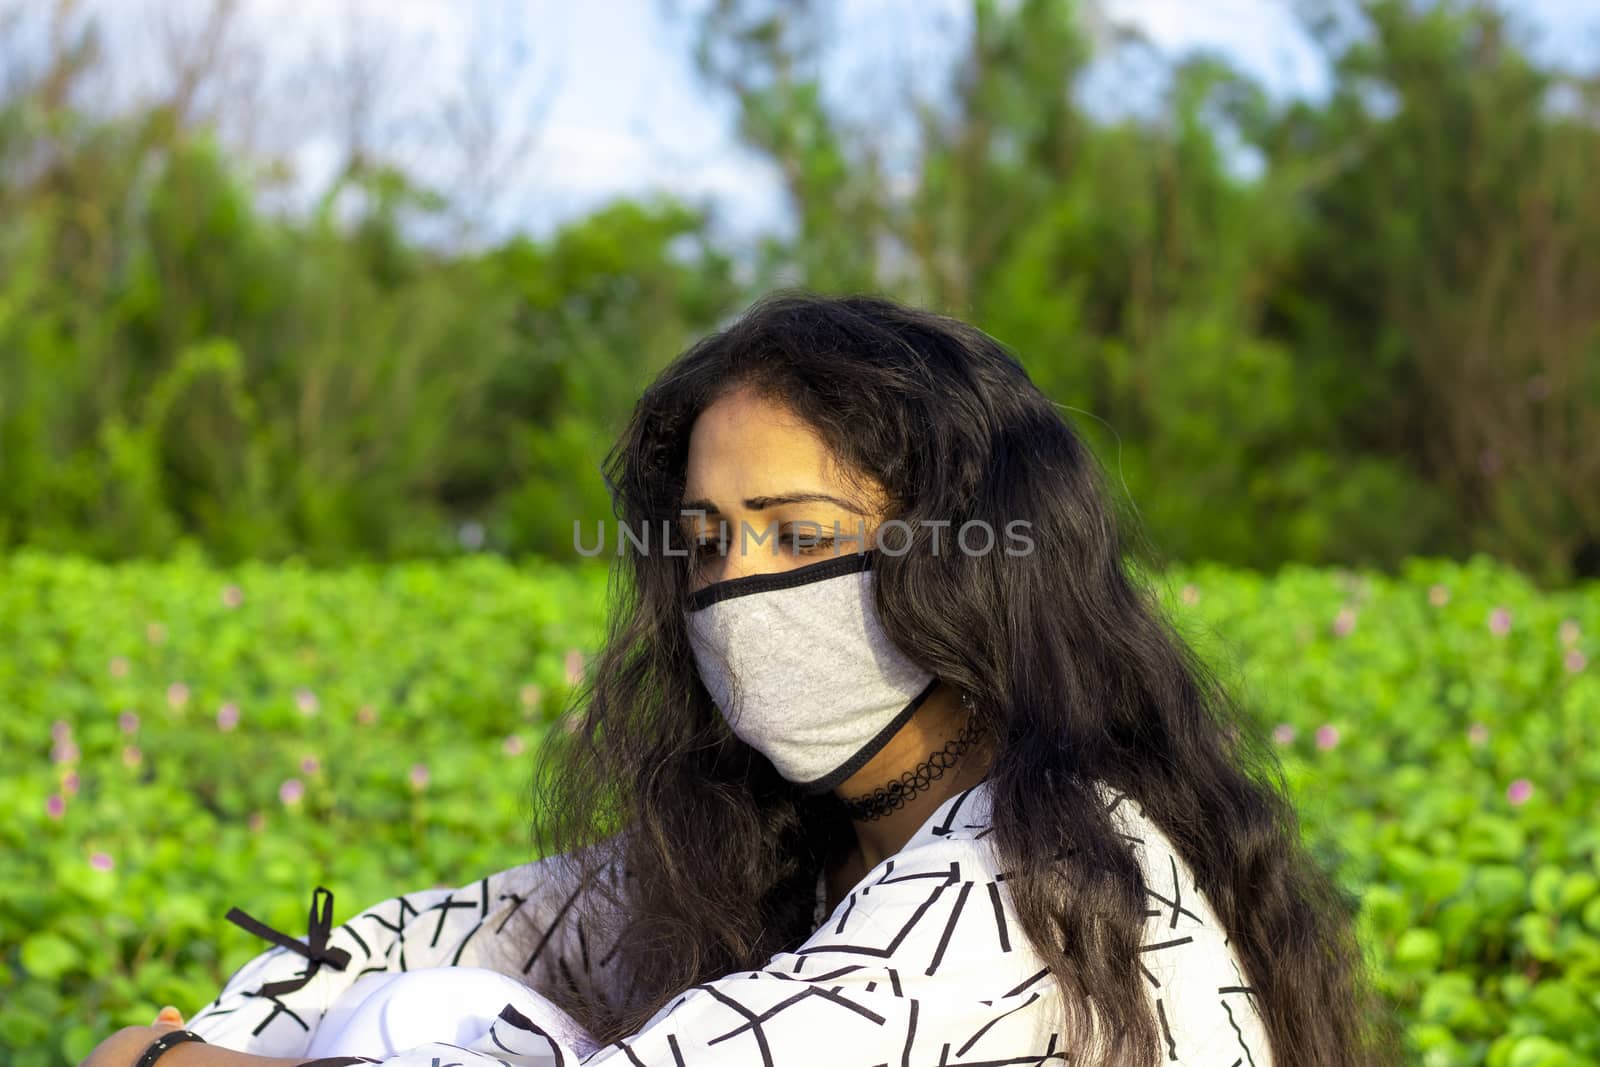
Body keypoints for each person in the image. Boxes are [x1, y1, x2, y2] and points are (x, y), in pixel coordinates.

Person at [84, 291, 1398, 1067]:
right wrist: (188, 1041)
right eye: (708, 543)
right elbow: (447, 931)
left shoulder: (1050, 874)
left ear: (967, 562)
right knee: (438, 999)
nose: (736, 594)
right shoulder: (798, 839)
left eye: (804, 537)